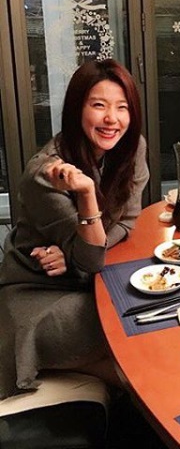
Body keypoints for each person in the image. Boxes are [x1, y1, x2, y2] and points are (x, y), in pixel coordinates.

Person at [0, 59, 149, 398]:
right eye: (99, 105)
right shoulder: (46, 174)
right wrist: (85, 194)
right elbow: (91, 259)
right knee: (126, 324)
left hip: (86, 278)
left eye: (122, 107)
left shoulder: (132, 148)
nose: (112, 119)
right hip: (38, 293)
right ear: (76, 109)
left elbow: (127, 221)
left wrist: (74, 252)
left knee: (151, 313)